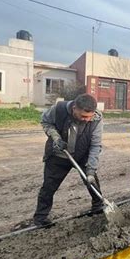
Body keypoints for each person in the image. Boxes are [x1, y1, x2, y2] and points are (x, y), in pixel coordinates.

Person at [33, 93, 104, 226]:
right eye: (83, 116)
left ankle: (98, 207)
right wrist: (56, 137)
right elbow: (45, 121)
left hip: (82, 154)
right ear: (74, 108)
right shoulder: (58, 109)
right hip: (59, 155)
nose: (86, 120)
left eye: (89, 117)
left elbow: (95, 145)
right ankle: (40, 218)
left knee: (92, 180)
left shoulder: (96, 118)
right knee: (49, 187)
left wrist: (90, 170)